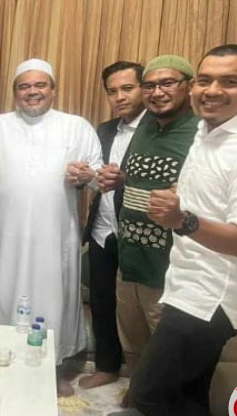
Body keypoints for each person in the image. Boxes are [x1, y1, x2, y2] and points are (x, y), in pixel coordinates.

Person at [118, 46, 237, 415]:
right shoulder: (207, 130)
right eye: (205, 80)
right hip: (188, 282)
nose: (212, 90)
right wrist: (179, 196)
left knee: (149, 395)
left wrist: (182, 220)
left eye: (229, 82)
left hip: (213, 296)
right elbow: (210, 194)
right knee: (189, 392)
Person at [0, 59, 102, 396]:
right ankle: (0, 363)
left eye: (40, 85)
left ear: (53, 90)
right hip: (7, 233)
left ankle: (52, 368)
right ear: (15, 92)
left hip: (55, 235)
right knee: (2, 293)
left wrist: (87, 175)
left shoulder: (76, 126)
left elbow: (98, 177)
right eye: (24, 86)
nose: (32, 92)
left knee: (52, 297)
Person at [98, 55, 199, 403]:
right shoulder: (144, 128)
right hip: (131, 257)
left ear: (189, 86)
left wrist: (185, 198)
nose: (157, 92)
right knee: (134, 342)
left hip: (168, 266)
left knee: (167, 353)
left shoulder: (201, 132)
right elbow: (142, 178)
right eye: (150, 85)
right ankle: (139, 395)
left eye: (167, 83)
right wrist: (120, 180)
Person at [80, 61, 148, 390]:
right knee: (102, 300)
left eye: (127, 88)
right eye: (112, 91)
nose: (119, 97)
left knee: (141, 310)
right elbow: (96, 177)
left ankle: (143, 381)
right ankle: (107, 366)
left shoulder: (157, 130)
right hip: (102, 230)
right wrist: (84, 176)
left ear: (143, 89)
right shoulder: (105, 130)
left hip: (140, 235)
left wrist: (125, 180)